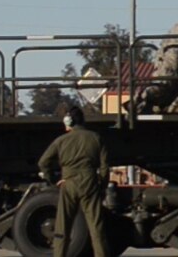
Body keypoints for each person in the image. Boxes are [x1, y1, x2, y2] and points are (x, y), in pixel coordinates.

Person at [38, 105, 110, 257]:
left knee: (62, 225)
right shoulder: (96, 137)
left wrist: (54, 180)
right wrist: (101, 186)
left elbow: (43, 162)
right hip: (90, 181)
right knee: (96, 226)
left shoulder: (61, 140)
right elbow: (104, 167)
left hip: (68, 182)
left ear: (68, 122)